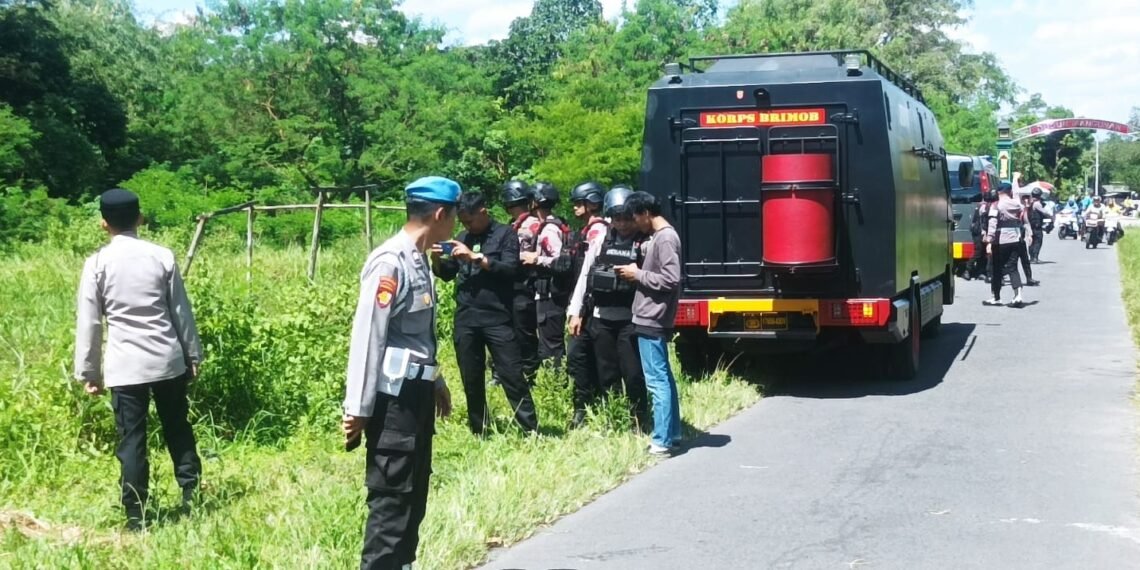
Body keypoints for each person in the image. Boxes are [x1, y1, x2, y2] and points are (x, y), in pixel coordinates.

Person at [342, 176, 457, 570]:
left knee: (413, 499)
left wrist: (436, 379)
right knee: (391, 504)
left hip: (416, 397)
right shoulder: (390, 262)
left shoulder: (420, 258)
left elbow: (414, 337)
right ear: (441, 214)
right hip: (392, 405)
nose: (455, 224)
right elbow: (368, 336)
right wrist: (358, 407)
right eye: (454, 215)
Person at [74, 188, 203, 532]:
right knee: (177, 425)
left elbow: (90, 321)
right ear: (139, 218)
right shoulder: (161, 256)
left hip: (125, 366)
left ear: (104, 224)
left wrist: (89, 371)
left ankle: (136, 513)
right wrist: (193, 354)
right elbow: (180, 312)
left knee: (131, 439)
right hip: (167, 359)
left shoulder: (97, 264)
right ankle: (191, 491)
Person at [432, 191, 538, 435]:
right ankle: (479, 428)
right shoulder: (462, 237)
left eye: (470, 220)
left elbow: (511, 269)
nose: (467, 225)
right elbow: (446, 273)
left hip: (497, 317)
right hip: (467, 317)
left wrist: (476, 258)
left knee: (512, 374)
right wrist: (437, 258)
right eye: (463, 221)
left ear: (483, 212)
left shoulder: (505, 234)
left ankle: (530, 429)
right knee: (471, 377)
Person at [566, 185, 649, 430]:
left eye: (626, 218)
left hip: (630, 319)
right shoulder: (602, 239)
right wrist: (575, 312)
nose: (622, 224)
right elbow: (585, 276)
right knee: (607, 373)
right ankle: (614, 418)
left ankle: (639, 420)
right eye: (617, 218)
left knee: (633, 373)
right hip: (602, 317)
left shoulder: (643, 242)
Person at [614, 191, 682, 455]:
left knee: (656, 381)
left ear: (645, 213)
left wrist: (637, 274)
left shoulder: (665, 238)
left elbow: (670, 278)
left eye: (635, 217)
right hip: (651, 316)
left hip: (652, 317)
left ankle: (662, 440)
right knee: (663, 377)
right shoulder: (661, 237)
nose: (634, 224)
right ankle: (672, 434)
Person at [564, 181, 609, 428]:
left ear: (591, 203)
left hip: (590, 306)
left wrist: (578, 309)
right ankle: (582, 406)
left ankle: (588, 408)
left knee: (582, 356)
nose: (574, 207)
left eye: (578, 202)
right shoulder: (585, 231)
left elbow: (587, 273)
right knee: (580, 357)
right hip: (582, 303)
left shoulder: (598, 232)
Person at [521, 182, 569, 367]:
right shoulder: (554, 224)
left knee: (551, 344)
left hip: (551, 294)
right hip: (549, 293)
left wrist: (537, 259)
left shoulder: (548, 229)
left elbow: (559, 261)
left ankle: (556, 383)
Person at [502, 180, 541, 384]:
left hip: (526, 283)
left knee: (524, 330)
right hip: (510, 282)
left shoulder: (533, 225)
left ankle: (530, 371)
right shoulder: (511, 225)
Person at [984, 182, 1032, 307]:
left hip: (1000, 241)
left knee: (996, 269)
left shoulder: (996, 205)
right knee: (1013, 267)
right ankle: (1018, 296)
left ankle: (996, 297)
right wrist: (1029, 233)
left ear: (998, 192)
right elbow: (1025, 219)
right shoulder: (1017, 204)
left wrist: (989, 240)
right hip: (1016, 239)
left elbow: (993, 223)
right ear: (1009, 192)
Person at [1027, 188, 1052, 265]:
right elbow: (1044, 212)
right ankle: (1035, 257)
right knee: (1038, 242)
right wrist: (1050, 216)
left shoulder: (1030, 202)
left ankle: (1032, 257)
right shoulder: (1037, 204)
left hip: (1030, 225)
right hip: (1036, 226)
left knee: (1032, 242)